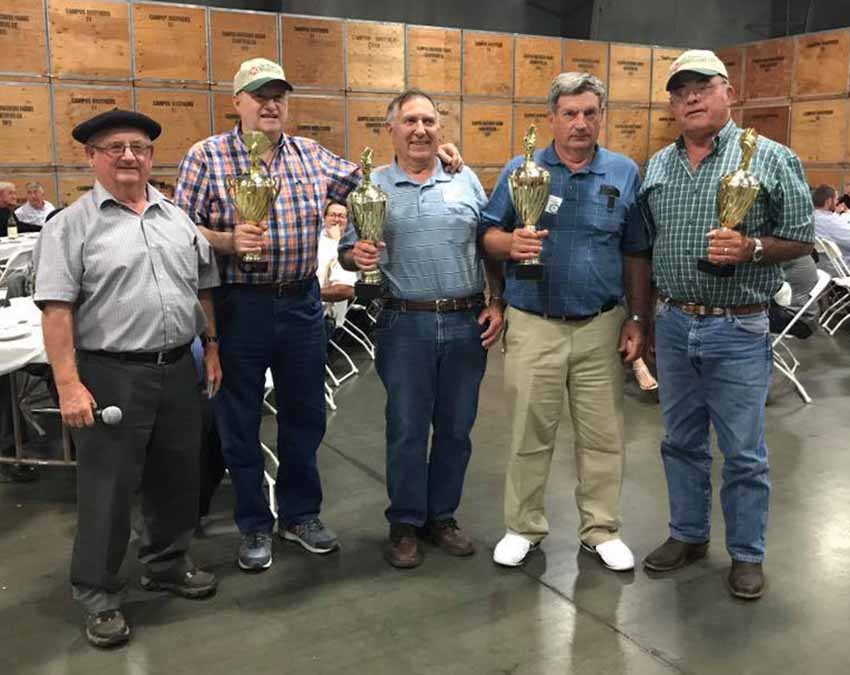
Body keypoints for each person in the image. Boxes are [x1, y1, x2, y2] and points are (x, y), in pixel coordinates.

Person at [175, 57, 464, 572]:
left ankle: (299, 515)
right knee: (239, 421)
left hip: (301, 302)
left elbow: (373, 182)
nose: (270, 104)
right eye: (259, 95)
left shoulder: (312, 156)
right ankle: (253, 525)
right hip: (239, 304)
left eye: (278, 95)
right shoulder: (205, 157)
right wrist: (226, 239)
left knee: (305, 416)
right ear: (235, 101)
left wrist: (432, 155)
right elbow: (179, 233)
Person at [33, 109, 222, 648]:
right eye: (113, 146)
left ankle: (166, 562)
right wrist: (69, 384)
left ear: (151, 156)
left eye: (137, 146)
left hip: (177, 368)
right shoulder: (69, 226)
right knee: (108, 489)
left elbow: (202, 288)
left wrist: (210, 346)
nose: (127, 156)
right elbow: (57, 311)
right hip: (110, 373)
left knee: (177, 476)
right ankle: (97, 592)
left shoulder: (176, 218)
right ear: (91, 157)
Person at [639, 50, 814, 600]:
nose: (690, 97)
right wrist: (642, 318)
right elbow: (644, 247)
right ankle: (688, 534)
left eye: (701, 86)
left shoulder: (771, 158)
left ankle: (746, 553)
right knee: (680, 442)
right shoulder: (658, 166)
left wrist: (752, 247)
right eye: (679, 90)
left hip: (737, 328)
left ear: (727, 92)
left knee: (743, 451)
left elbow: (802, 238)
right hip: (673, 323)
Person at [481, 72, 652, 572]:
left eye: (590, 113)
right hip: (534, 321)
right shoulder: (522, 169)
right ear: (551, 118)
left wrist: (638, 317)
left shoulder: (623, 172)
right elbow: (488, 233)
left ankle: (601, 529)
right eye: (570, 113)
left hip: (601, 323)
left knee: (603, 435)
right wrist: (508, 244)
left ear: (601, 117)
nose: (580, 123)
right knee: (529, 432)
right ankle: (523, 527)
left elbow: (636, 251)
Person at [340, 89, 504, 568]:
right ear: (391, 130)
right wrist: (356, 257)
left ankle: (443, 517)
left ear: (440, 130)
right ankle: (406, 523)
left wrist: (498, 300)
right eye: (409, 121)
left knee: (456, 429)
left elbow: (487, 242)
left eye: (429, 121)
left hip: (465, 321)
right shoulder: (371, 186)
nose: (420, 130)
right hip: (403, 323)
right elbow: (351, 252)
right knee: (407, 429)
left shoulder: (465, 179)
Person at [318, 200, 357, 329]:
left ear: (347, 221)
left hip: (323, 317)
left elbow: (346, 290)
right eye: (332, 215)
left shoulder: (348, 248)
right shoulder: (314, 239)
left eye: (341, 216)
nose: (336, 219)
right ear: (324, 218)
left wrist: (337, 241)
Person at [769, 254, 820, 338]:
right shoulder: (797, 250)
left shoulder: (784, 253)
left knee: (744, 317)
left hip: (797, 320)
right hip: (803, 317)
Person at [811, 184, 850, 267]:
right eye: (836, 199)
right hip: (842, 265)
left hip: (823, 263)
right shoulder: (830, 222)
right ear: (828, 201)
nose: (837, 202)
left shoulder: (813, 217)